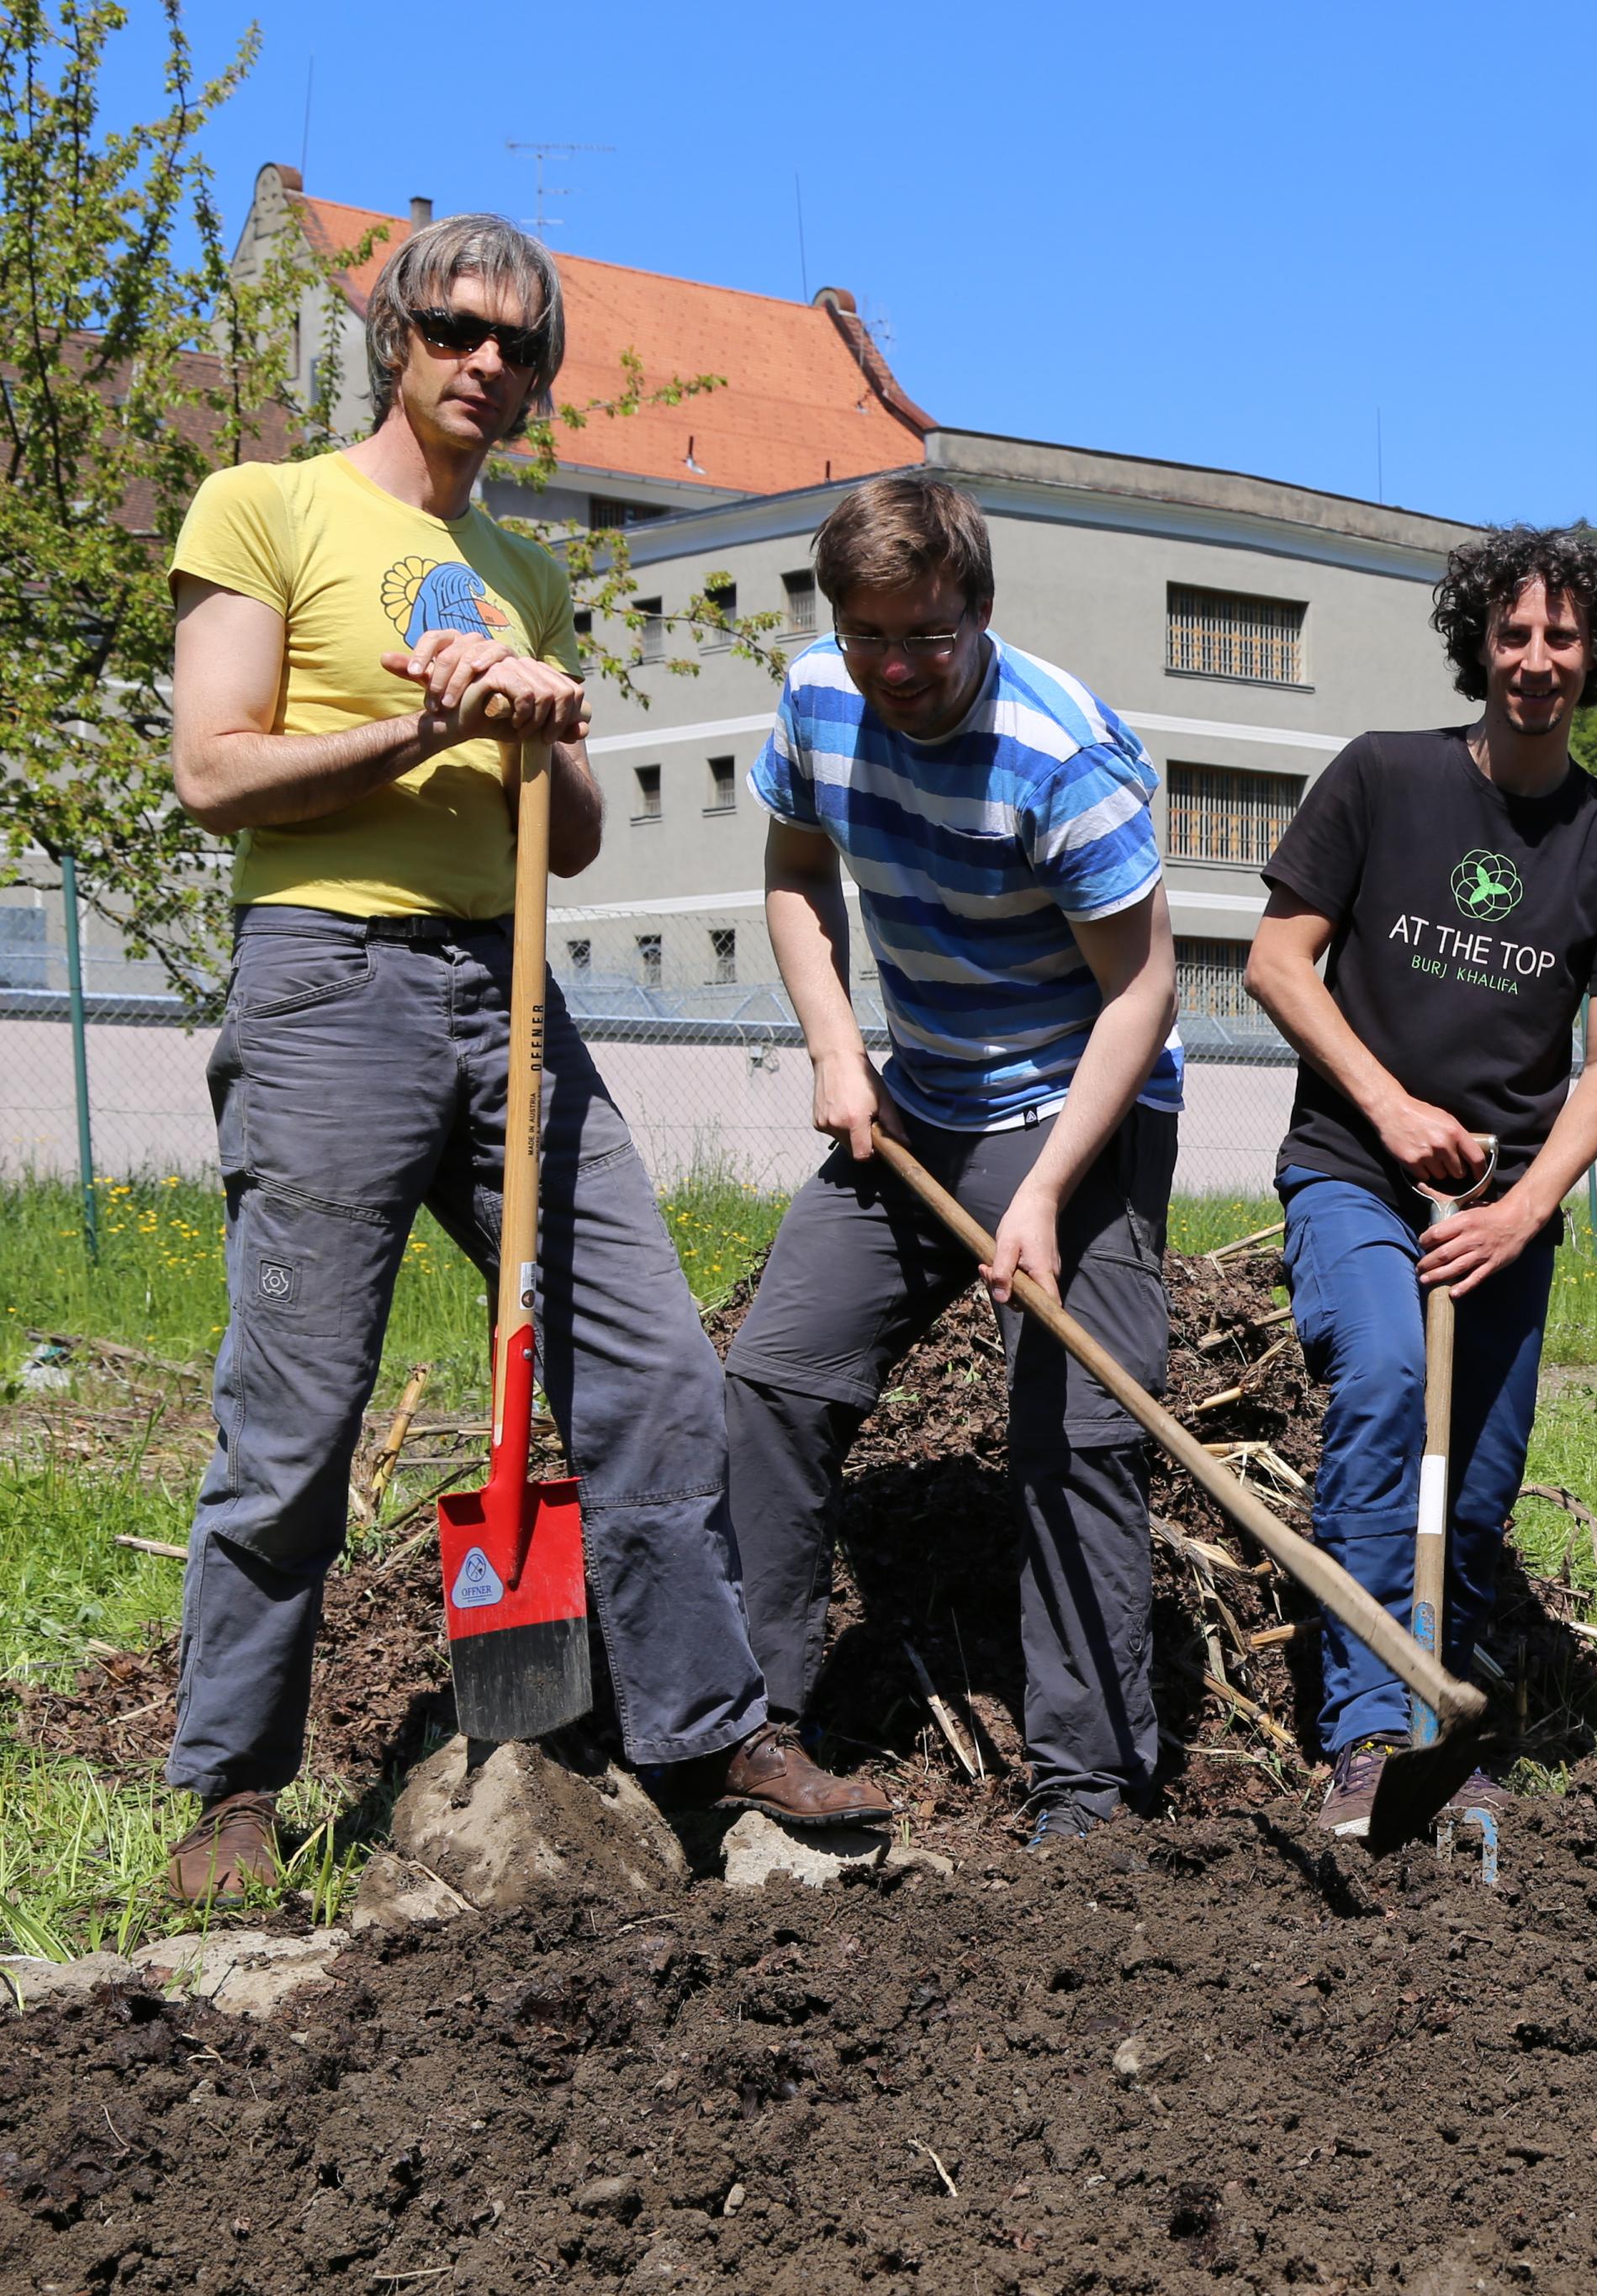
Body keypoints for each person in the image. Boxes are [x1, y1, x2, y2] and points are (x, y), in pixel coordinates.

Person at [159, 214, 800, 1905]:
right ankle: (232, 1789)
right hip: (332, 978)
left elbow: (570, 839)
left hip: (508, 987)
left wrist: (546, 720)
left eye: (519, 346)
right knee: (296, 1419)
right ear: (397, 333)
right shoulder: (266, 507)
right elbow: (213, 772)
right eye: (455, 327)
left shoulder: (526, 570)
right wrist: (426, 725)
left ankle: (702, 1736)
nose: (486, 362)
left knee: (655, 1366)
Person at [718, 472, 1182, 1850]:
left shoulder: (1062, 756)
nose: (897, 669)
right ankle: (756, 1728)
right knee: (777, 1376)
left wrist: (1043, 1192)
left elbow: (1143, 992)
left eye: (925, 635)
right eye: (867, 636)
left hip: (1080, 1104)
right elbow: (794, 871)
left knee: (1077, 1434)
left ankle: (1088, 1797)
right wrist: (834, 1047)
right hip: (917, 1099)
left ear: (978, 609)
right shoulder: (817, 696)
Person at [1245, 525, 1597, 1835]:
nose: (1536, 659)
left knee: (1476, 1488)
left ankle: (1443, 1734)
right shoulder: (1384, 776)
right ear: (1478, 644)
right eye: (1514, 633)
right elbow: (1277, 962)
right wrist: (1388, 1106)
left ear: (1594, 656)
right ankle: (1366, 1732)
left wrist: (1523, 1207)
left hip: (1503, 1208)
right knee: (1384, 1381)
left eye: (1563, 637)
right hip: (1355, 1171)